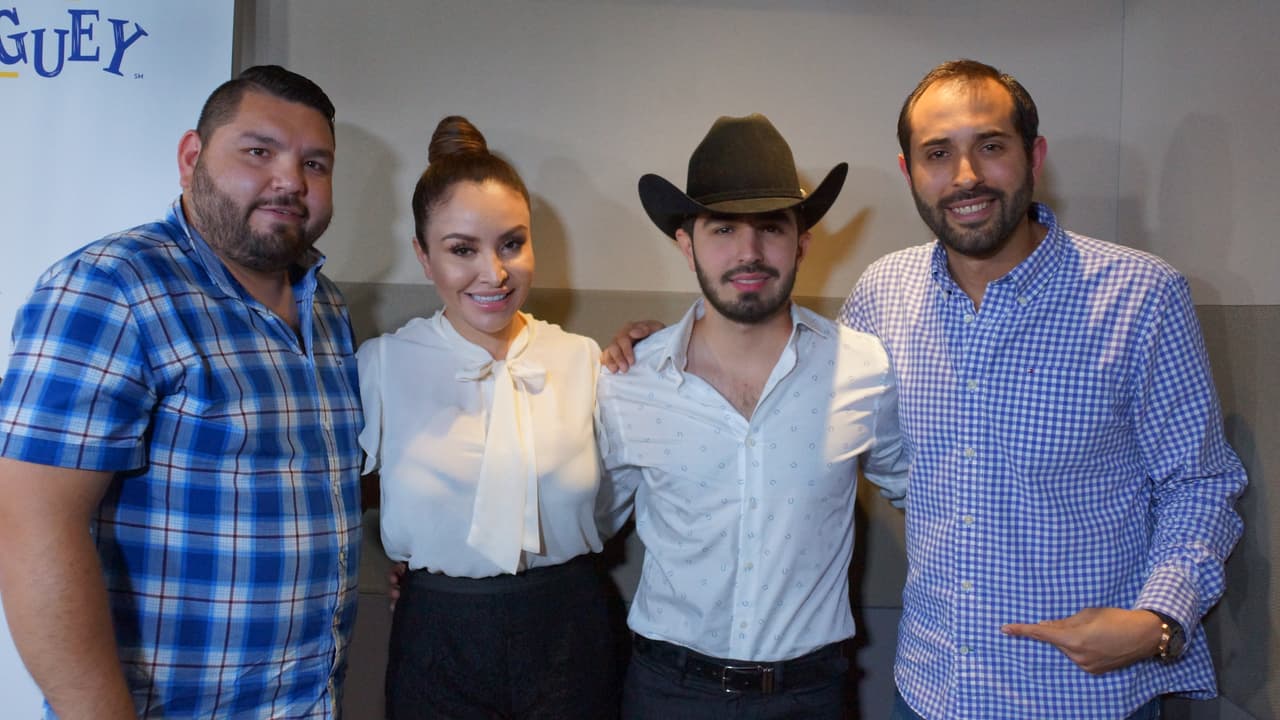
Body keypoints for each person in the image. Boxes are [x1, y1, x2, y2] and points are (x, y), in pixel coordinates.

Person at [846, 59, 1246, 719]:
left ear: (1035, 155)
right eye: (938, 154)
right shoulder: (881, 293)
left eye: (991, 147)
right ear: (909, 171)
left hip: (1080, 697)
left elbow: (1200, 484)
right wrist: (666, 346)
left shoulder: (1142, 297)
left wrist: (1157, 619)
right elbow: (809, 398)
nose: (965, 176)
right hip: (929, 690)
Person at [0, 66, 363, 719]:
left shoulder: (327, 308)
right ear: (191, 157)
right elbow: (30, 524)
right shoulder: (111, 286)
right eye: (259, 152)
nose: (290, 180)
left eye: (315, 163)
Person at [594, 113, 910, 719]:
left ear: (803, 241)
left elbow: (927, 493)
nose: (748, 252)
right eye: (722, 230)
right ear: (686, 243)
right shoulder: (627, 381)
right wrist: (436, 569)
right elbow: (582, 527)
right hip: (667, 692)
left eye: (770, 228)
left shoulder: (863, 368)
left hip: (809, 696)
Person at [360, 116, 618, 720]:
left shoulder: (582, 359)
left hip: (571, 626)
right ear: (425, 258)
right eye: (461, 250)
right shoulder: (382, 366)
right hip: (437, 636)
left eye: (511, 243)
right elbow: (328, 495)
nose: (494, 273)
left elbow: (623, 497)